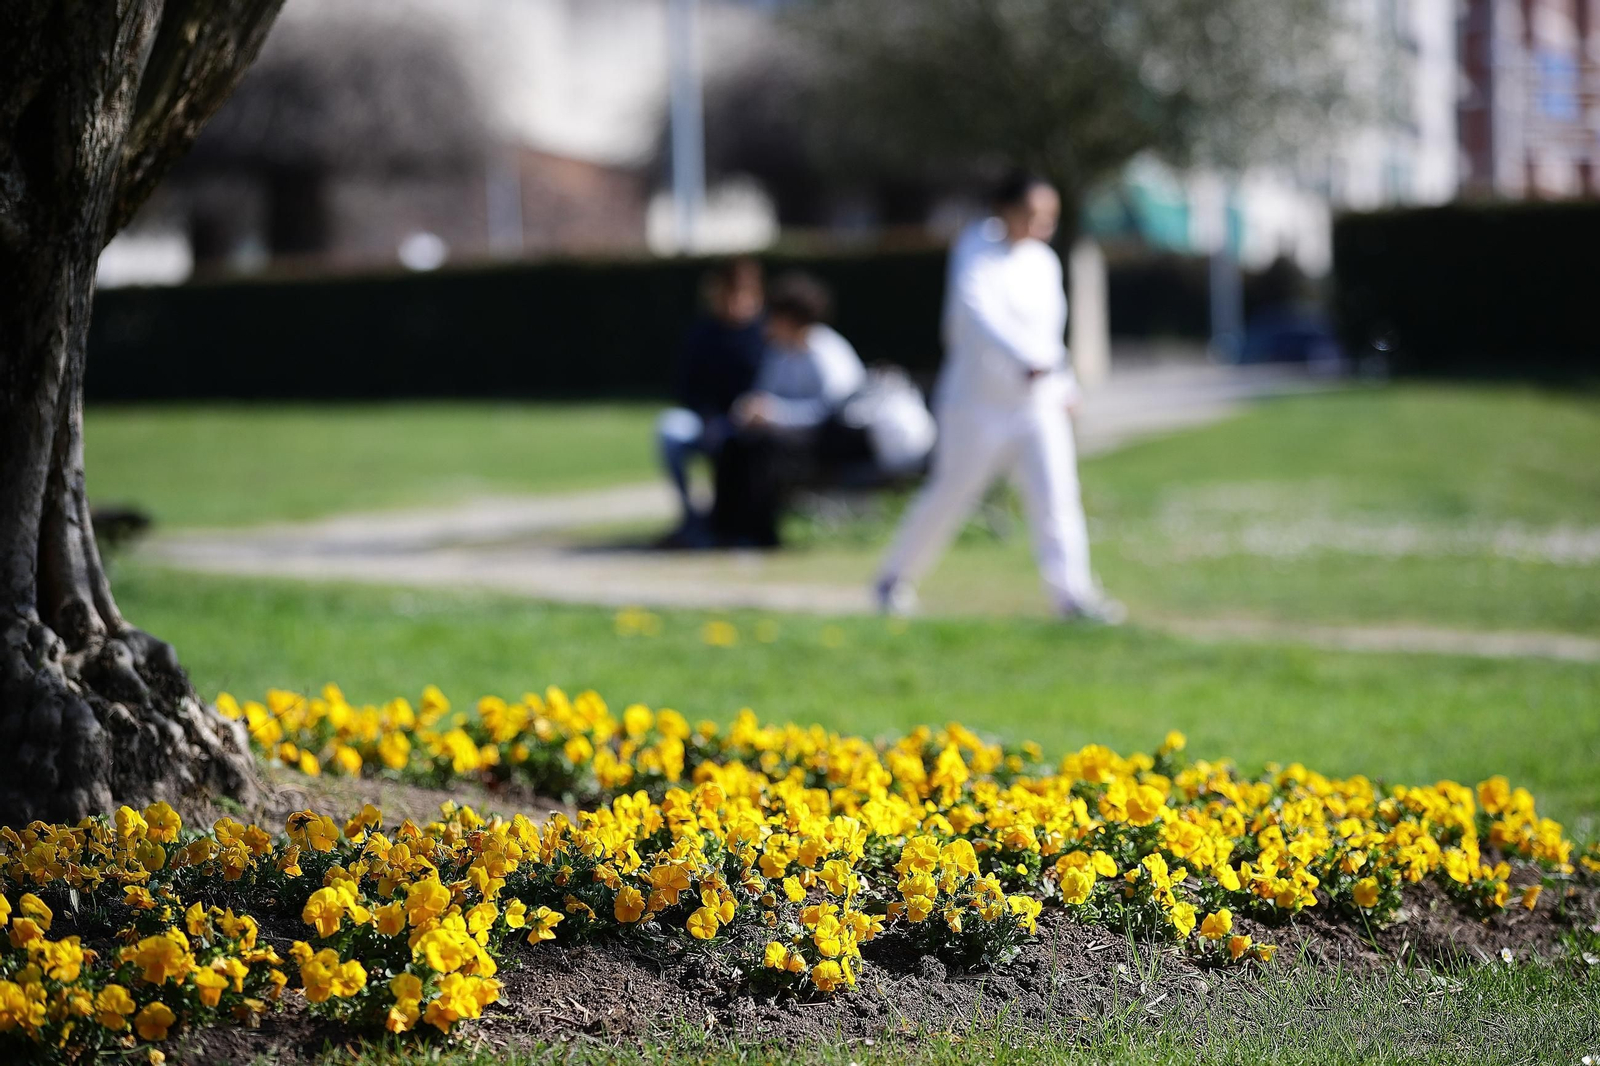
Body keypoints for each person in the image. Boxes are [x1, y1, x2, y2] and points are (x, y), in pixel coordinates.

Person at [873, 172, 1123, 622]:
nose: (1042, 225)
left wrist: (1061, 381)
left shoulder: (1044, 262)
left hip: (1035, 405)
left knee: (1056, 496)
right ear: (1005, 209)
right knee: (951, 494)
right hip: (976, 405)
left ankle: (1073, 596)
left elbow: (1050, 334)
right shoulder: (975, 248)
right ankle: (893, 579)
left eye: (1050, 217)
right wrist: (1027, 359)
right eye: (1033, 214)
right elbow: (977, 313)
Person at [712, 273, 866, 547]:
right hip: (787, 436)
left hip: (829, 440)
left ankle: (760, 534)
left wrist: (776, 415)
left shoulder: (826, 352)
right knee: (733, 443)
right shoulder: (779, 352)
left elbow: (834, 411)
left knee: (765, 452)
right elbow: (763, 394)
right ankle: (724, 530)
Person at [656, 258, 765, 546]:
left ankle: (732, 522)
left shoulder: (763, 334)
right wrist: (707, 417)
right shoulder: (704, 333)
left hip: (749, 420)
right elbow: (685, 385)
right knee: (668, 430)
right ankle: (690, 517)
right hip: (706, 418)